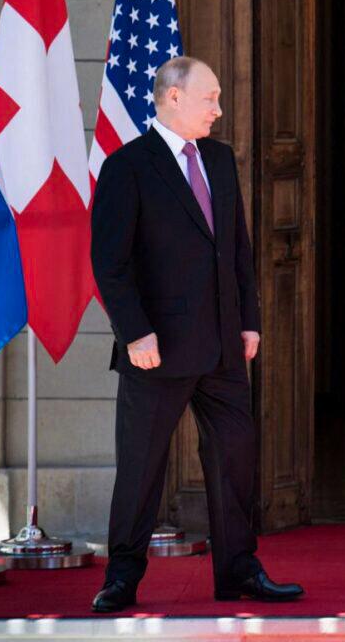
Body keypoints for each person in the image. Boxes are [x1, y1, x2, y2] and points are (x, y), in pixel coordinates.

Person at [90, 56, 304, 612]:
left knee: (235, 459)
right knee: (142, 468)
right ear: (173, 97)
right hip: (156, 350)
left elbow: (235, 247)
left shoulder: (219, 159)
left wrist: (249, 319)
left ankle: (239, 571)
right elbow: (110, 264)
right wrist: (135, 334)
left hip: (223, 347)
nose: (219, 108)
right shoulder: (127, 166)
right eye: (209, 98)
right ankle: (121, 578)